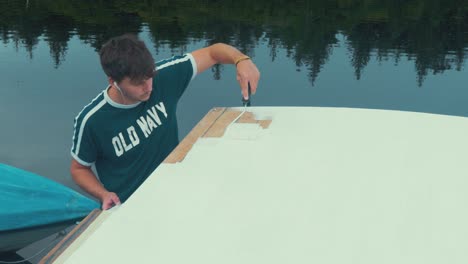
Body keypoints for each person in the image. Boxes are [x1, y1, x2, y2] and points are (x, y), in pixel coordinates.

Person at [70, 34, 260, 210]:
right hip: (130, 208)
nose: (149, 87)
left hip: (175, 191)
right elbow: (79, 168)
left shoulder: (164, 76)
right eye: (138, 83)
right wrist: (103, 194)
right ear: (113, 82)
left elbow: (214, 52)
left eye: (150, 77)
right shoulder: (92, 121)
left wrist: (241, 60)